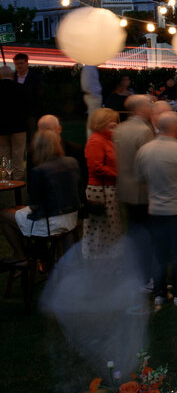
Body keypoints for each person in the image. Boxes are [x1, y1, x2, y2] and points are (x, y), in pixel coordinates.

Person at [137, 112, 177, 308]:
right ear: (175, 127)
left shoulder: (145, 150)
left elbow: (140, 178)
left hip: (155, 210)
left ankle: (160, 293)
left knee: (160, 252)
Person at [0, 130, 80, 262]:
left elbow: (34, 205)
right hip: (70, 218)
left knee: (3, 214)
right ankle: (35, 253)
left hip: (50, 223)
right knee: (18, 212)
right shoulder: (72, 162)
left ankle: (21, 254)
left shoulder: (39, 171)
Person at [113, 95, 155, 287]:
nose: (151, 108)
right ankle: (145, 276)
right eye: (149, 105)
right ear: (140, 109)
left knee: (132, 230)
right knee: (145, 234)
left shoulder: (119, 129)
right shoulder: (144, 131)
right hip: (141, 189)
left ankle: (132, 270)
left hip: (124, 188)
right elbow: (147, 163)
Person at [82, 107, 122, 259]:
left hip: (108, 188)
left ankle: (109, 257)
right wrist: (118, 175)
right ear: (102, 123)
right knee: (101, 227)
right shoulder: (96, 140)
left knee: (110, 226)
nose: (116, 125)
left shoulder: (107, 139)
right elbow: (96, 167)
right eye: (113, 122)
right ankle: (97, 258)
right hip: (99, 191)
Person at [0, 66, 29, 182]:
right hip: (19, 126)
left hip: (1, 128)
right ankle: (18, 177)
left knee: (4, 154)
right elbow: (27, 107)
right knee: (18, 153)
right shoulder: (21, 88)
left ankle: (6, 176)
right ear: (12, 76)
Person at [80, 65, 103, 134]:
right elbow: (86, 84)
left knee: (94, 120)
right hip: (93, 97)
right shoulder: (89, 68)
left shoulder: (90, 67)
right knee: (93, 121)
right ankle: (91, 140)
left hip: (93, 96)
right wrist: (94, 94)